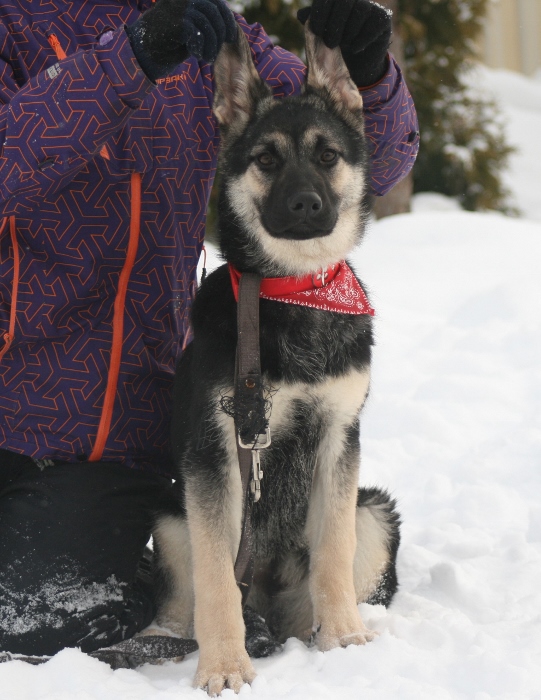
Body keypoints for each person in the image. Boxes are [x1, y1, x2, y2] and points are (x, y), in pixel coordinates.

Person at [0, 0, 419, 660]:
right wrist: (127, 60)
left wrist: (370, 76)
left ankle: (213, 587)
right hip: (13, 395)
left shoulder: (211, 36)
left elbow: (372, 159)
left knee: (38, 620)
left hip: (106, 433)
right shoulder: (15, 24)